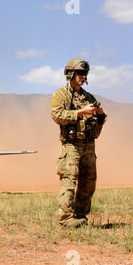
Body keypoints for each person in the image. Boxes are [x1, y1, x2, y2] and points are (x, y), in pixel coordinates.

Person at [50, 59, 107, 228]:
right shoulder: (61, 95)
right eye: (80, 73)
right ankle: (66, 218)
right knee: (69, 180)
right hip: (71, 145)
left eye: (85, 74)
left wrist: (100, 115)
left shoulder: (88, 97)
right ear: (70, 74)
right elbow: (57, 115)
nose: (83, 76)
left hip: (89, 145)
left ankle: (80, 216)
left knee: (88, 181)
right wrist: (81, 112)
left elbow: (97, 122)